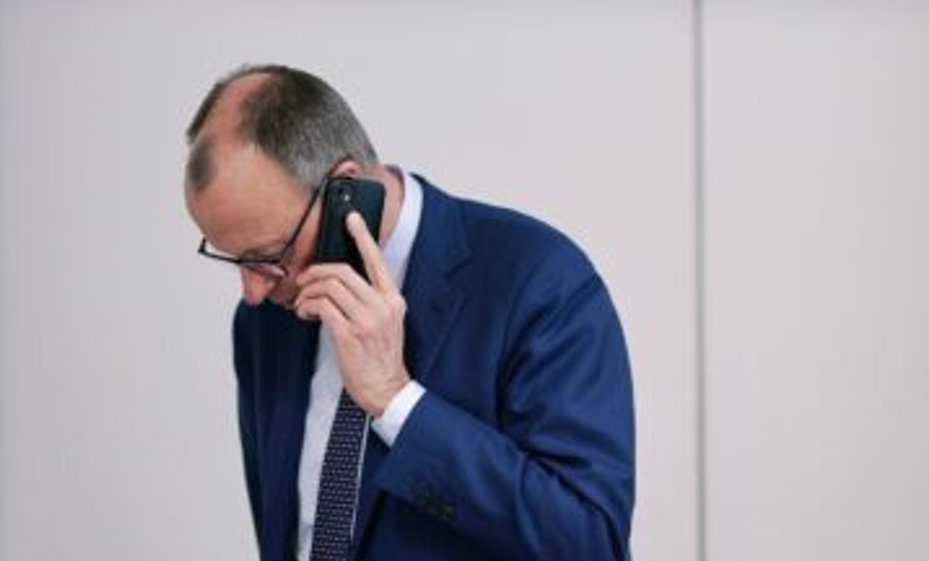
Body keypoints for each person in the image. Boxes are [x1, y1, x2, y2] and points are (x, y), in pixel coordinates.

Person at [183, 64, 635, 561]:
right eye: (235, 260)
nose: (252, 291)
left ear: (343, 190)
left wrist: (395, 400)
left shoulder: (539, 280)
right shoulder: (266, 319)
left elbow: (590, 541)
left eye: (267, 255)